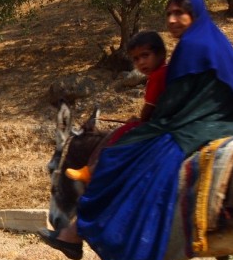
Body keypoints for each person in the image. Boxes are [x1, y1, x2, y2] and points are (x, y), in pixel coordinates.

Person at [39, 0, 233, 260]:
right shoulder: (216, 40)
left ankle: (83, 231)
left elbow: (173, 103)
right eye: (168, 14)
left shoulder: (190, 45)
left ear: (195, 14)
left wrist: (153, 122)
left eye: (180, 13)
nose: (172, 20)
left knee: (121, 156)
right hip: (232, 123)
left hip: (200, 125)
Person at [66, 30, 168, 183]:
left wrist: (139, 121)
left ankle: (93, 169)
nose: (141, 62)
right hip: (161, 120)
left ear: (161, 54)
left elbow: (149, 108)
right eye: (136, 59)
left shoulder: (157, 77)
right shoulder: (165, 72)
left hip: (155, 124)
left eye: (145, 56)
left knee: (118, 135)